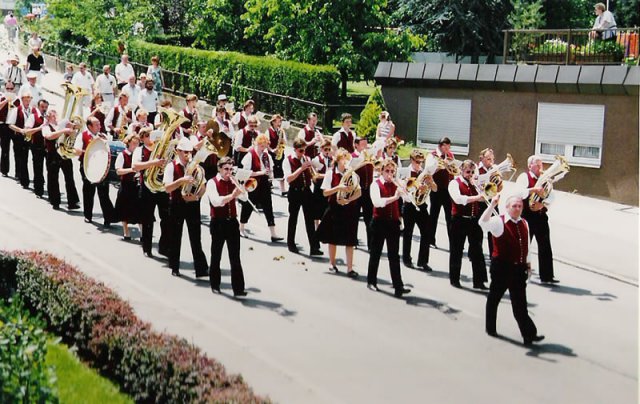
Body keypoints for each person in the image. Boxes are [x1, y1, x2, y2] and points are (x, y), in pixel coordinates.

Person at [480, 194, 545, 346]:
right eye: (514, 206)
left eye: (520, 206)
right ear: (507, 207)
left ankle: (529, 335)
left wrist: (528, 264)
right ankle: (490, 328)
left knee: (520, 304)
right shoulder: (498, 221)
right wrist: (492, 205)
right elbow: (482, 223)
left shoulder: (524, 223)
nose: (517, 209)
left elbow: (526, 246)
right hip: (502, 268)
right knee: (494, 298)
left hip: (518, 269)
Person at [163, 137, 209, 277]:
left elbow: (203, 185)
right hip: (176, 204)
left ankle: (201, 269)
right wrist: (181, 181)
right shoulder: (171, 166)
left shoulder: (195, 167)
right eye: (185, 152)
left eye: (190, 152)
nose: (188, 155)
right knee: (175, 236)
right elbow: (167, 188)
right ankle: (174, 267)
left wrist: (197, 196)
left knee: (196, 237)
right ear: (178, 151)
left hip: (192, 204)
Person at [366, 158, 412, 298]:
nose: (390, 174)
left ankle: (399, 286)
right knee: (376, 253)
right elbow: (377, 202)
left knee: (394, 256)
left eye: (392, 171)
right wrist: (394, 197)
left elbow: (409, 200)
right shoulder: (375, 184)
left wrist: (405, 190)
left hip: (393, 223)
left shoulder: (396, 184)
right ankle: (371, 281)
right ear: (382, 171)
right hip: (379, 222)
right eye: (387, 171)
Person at [206, 157, 248, 297]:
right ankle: (215, 284)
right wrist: (231, 196)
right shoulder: (212, 182)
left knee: (235, 256)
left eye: (231, 169)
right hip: (218, 222)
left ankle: (238, 288)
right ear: (219, 169)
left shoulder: (233, 181)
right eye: (226, 169)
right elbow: (216, 201)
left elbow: (244, 198)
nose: (228, 172)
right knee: (216, 255)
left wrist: (241, 187)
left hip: (232, 222)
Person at [316, 148, 361, 278]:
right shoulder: (331, 173)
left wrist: (348, 200)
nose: (346, 162)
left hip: (349, 209)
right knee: (333, 238)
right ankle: (332, 263)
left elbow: (358, 192)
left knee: (350, 240)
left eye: (347, 159)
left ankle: (350, 268)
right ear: (338, 160)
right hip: (335, 208)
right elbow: (325, 193)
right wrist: (339, 188)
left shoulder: (351, 173)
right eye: (344, 159)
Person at [516, 155, 559, 284]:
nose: (541, 167)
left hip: (540, 216)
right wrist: (534, 190)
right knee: (524, 245)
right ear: (530, 166)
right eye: (538, 165)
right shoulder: (524, 177)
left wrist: (543, 205)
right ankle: (519, 272)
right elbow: (519, 193)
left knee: (545, 245)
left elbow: (551, 196)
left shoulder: (545, 178)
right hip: (527, 216)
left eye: (541, 164)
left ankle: (547, 276)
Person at [448, 160, 488, 289]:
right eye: (467, 172)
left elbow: (484, 197)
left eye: (472, 172)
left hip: (474, 220)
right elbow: (458, 199)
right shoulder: (454, 183)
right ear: (461, 171)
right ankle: (454, 279)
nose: (470, 174)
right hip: (459, 220)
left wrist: (482, 191)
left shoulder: (474, 183)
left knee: (477, 250)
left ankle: (479, 281)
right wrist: (476, 198)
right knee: (457, 250)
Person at [132, 127, 170, 258]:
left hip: (162, 188)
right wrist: (154, 163)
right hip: (147, 188)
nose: (151, 138)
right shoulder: (139, 150)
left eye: (152, 135)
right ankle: (147, 248)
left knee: (167, 218)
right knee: (147, 219)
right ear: (143, 138)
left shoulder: (161, 150)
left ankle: (164, 247)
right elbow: (135, 166)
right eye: (148, 136)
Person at [239, 133, 283, 242]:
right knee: (248, 205)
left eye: (265, 145)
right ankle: (241, 228)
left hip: (264, 183)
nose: (263, 148)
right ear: (257, 144)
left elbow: (270, 169)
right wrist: (261, 172)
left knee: (268, 207)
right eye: (261, 145)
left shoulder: (266, 155)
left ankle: (273, 234)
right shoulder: (250, 155)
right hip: (252, 183)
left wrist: (270, 175)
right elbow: (246, 172)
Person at [73, 116, 116, 227]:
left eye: (99, 124)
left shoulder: (103, 136)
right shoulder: (82, 136)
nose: (99, 126)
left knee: (104, 193)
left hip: (102, 167)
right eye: (96, 125)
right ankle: (88, 215)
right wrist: (85, 151)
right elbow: (77, 150)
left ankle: (108, 218)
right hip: (88, 167)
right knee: (88, 192)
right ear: (89, 126)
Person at [283, 138, 322, 256]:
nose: (303, 153)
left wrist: (312, 169)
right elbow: (288, 179)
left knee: (310, 219)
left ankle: (314, 247)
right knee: (293, 218)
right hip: (295, 191)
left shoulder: (306, 158)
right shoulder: (288, 160)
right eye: (301, 151)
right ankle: (291, 244)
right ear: (295, 149)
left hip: (306, 191)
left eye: (304, 150)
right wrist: (301, 168)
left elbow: (313, 174)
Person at [402, 149, 436, 271]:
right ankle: (406, 259)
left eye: (421, 162)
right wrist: (417, 187)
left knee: (426, 232)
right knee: (408, 233)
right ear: (411, 160)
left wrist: (431, 182)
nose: (419, 164)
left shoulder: (424, 172)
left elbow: (435, 189)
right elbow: (404, 190)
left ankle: (423, 261)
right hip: (409, 205)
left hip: (421, 205)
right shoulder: (405, 172)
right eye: (417, 162)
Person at [42, 110, 80, 210]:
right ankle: (55, 201)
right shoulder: (45, 127)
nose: (55, 117)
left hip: (64, 153)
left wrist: (74, 127)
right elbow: (49, 136)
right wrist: (64, 130)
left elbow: (74, 131)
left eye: (56, 115)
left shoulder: (61, 125)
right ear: (48, 118)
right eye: (53, 116)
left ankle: (72, 202)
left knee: (69, 177)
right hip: (52, 154)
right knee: (53, 178)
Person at [428, 137, 455, 248]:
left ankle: (453, 243)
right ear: (441, 146)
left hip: (448, 190)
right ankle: (431, 240)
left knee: (450, 217)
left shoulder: (450, 155)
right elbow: (429, 171)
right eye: (446, 147)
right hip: (436, 189)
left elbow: (453, 171)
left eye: (449, 147)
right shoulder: (432, 155)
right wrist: (441, 165)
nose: (448, 149)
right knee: (434, 216)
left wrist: (450, 166)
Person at [7, 94, 38, 189]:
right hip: (20, 137)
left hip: (31, 137)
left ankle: (35, 180)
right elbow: (10, 124)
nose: (27, 102)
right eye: (26, 100)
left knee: (33, 159)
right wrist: (21, 130)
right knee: (22, 159)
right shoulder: (17, 110)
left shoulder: (33, 110)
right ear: (22, 100)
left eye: (29, 100)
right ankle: (24, 180)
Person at [114, 133, 141, 241]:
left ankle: (142, 232)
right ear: (128, 143)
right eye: (134, 143)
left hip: (137, 185)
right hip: (126, 185)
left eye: (137, 144)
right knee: (124, 209)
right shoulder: (123, 155)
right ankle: (126, 231)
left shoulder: (139, 155)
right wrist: (132, 170)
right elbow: (118, 171)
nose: (136, 146)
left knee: (139, 209)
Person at [351, 137, 374, 249]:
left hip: (367, 190)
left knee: (369, 218)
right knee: (354, 217)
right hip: (356, 190)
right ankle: (353, 241)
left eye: (366, 144)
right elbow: (350, 170)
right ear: (356, 145)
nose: (365, 146)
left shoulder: (369, 156)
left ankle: (371, 244)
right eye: (362, 144)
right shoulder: (352, 156)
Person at [26, 99, 48, 198]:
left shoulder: (48, 117)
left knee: (50, 169)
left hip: (47, 147)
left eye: (46, 107)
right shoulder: (33, 116)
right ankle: (38, 191)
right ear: (38, 107)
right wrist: (40, 127)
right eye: (42, 107)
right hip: (37, 146)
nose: (44, 109)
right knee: (38, 168)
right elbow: (27, 131)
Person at [310, 139, 332, 228]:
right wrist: (327, 175)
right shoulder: (317, 159)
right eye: (325, 149)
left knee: (326, 207)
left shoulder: (331, 159)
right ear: (321, 149)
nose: (327, 151)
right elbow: (316, 175)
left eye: (329, 149)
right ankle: (316, 226)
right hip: (319, 185)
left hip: (327, 185)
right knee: (317, 206)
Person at [0, 82, 18, 177]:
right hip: (3, 126)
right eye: (8, 88)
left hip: (13, 125)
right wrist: (6, 100)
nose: (9, 90)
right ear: (5, 88)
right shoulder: (2, 97)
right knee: (5, 149)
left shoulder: (17, 99)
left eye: (11, 89)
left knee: (17, 149)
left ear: (14, 89)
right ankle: (4, 170)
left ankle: (18, 173)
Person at [267, 114, 286, 195]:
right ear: (273, 122)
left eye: (280, 121)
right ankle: (269, 187)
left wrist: (282, 140)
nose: (279, 123)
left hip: (279, 153)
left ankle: (283, 190)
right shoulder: (268, 131)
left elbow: (285, 142)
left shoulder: (281, 131)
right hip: (271, 153)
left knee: (280, 170)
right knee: (270, 170)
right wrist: (272, 150)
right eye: (278, 122)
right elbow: (266, 143)